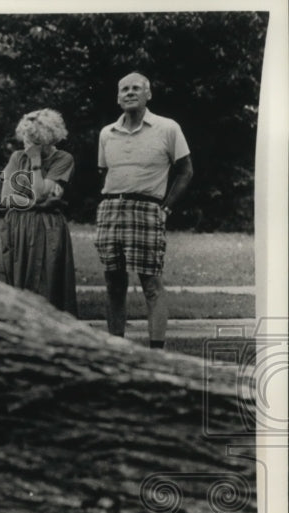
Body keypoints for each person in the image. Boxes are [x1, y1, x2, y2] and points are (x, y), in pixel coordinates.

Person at [95, 72, 193, 348]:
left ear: (148, 94)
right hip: (111, 209)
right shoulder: (107, 133)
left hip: (148, 210)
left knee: (151, 284)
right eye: (124, 89)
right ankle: (118, 350)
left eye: (136, 88)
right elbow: (104, 172)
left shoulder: (167, 128)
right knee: (114, 283)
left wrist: (166, 209)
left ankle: (156, 354)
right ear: (117, 97)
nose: (129, 93)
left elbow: (186, 172)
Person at [0, 108, 78, 315]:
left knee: (47, 281)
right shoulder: (17, 158)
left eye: (32, 139)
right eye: (25, 137)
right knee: (18, 281)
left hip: (47, 228)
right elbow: (6, 198)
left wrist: (35, 163)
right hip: (17, 227)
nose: (26, 144)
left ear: (46, 140)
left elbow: (40, 193)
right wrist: (40, 203)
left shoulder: (63, 159)